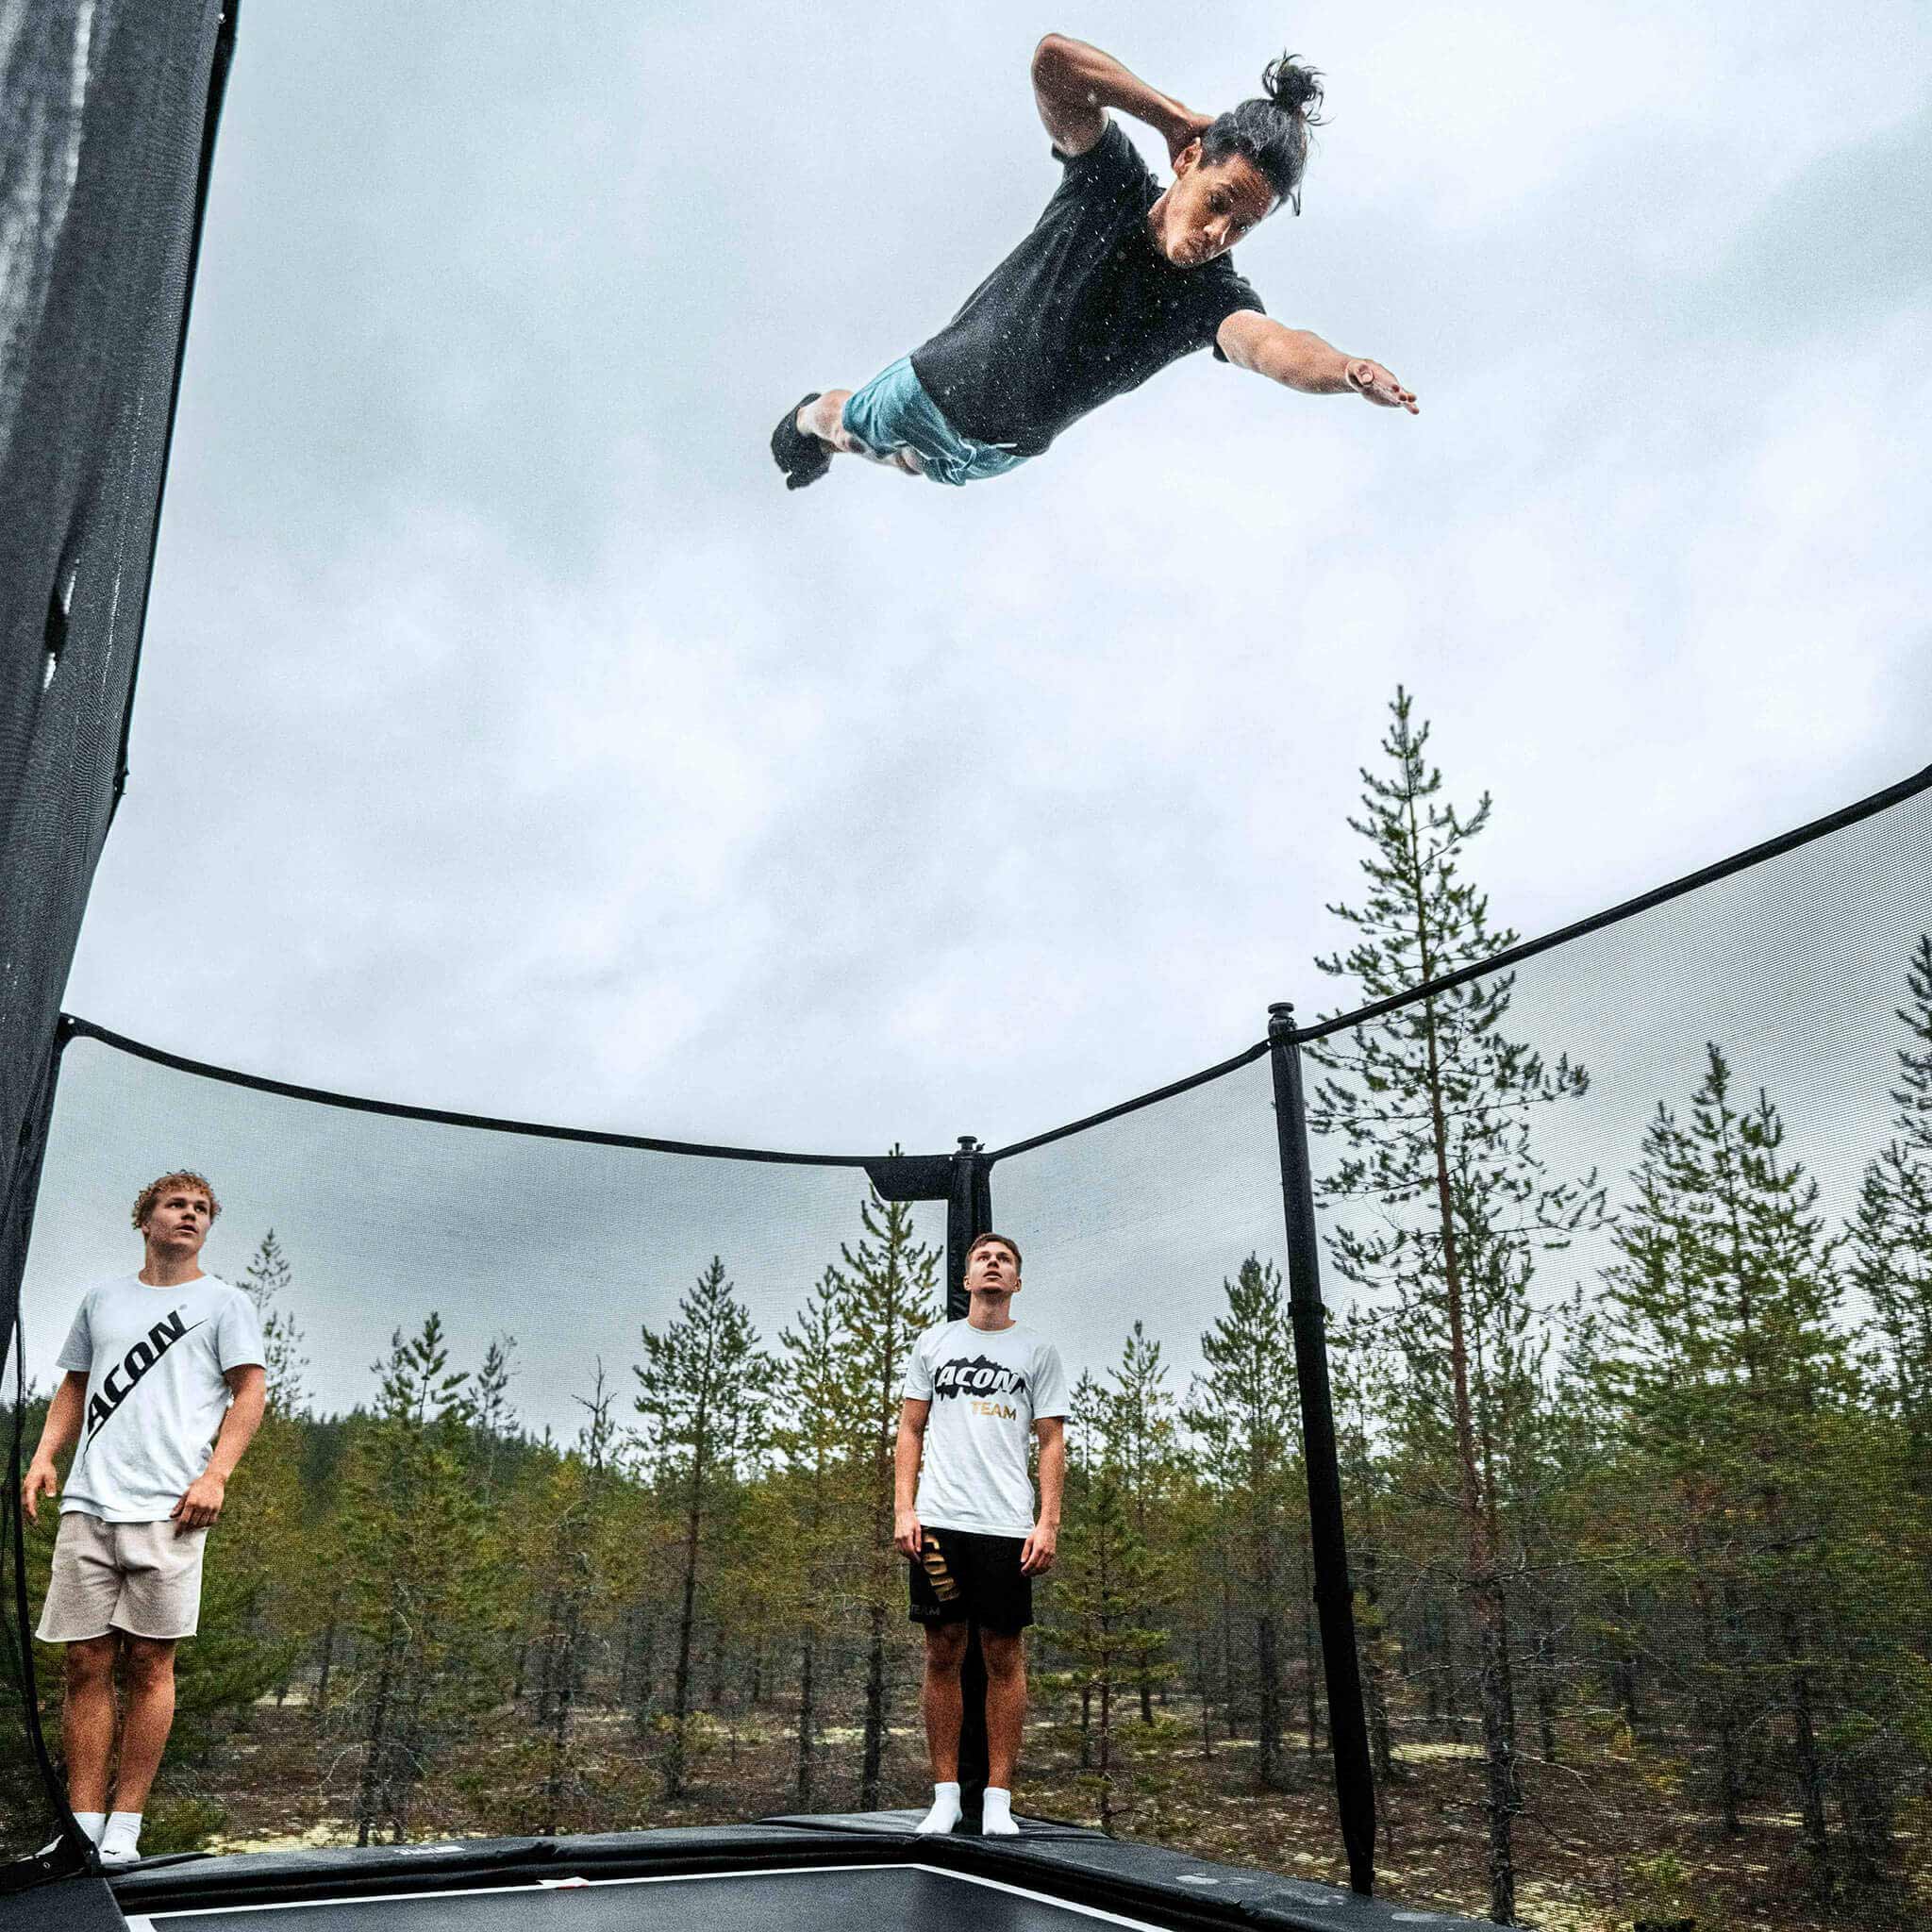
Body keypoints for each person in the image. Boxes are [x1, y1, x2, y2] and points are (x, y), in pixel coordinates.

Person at [772, 34, 1416, 491]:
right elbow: (1054, 64)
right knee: (855, 432)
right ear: (1188, 162)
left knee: (913, 468)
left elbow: (1269, 347)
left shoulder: (1211, 300)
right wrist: (1167, 117)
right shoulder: (1108, 183)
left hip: (1000, 455)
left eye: (1243, 226)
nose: (1219, 233)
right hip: (931, 389)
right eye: (1217, 203)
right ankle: (807, 421)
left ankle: (865, 443)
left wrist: (1344, 371)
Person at [20, 1171, 266, 1868]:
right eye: (176, 1205)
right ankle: (82, 1821)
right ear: (146, 1219)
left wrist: (215, 1475)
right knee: (83, 1661)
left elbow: (250, 1390)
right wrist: (45, 1457)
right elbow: (74, 1382)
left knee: (152, 1661)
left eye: (202, 1209)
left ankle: (126, 1824)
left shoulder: (224, 1303)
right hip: (91, 1502)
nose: (190, 1216)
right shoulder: (103, 1299)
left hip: (171, 1508)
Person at [894, 1231, 1067, 1836]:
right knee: (942, 1653)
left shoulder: (1037, 1350)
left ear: (1016, 1281)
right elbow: (910, 1430)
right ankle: (945, 1795)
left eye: (1005, 1261)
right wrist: (904, 1510)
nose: (994, 1265)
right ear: (966, 1279)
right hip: (939, 1525)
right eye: (983, 1259)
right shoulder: (935, 1343)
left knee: (1002, 1654)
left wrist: (1046, 1523)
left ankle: (997, 1798)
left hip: (1006, 1528)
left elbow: (1050, 1440)